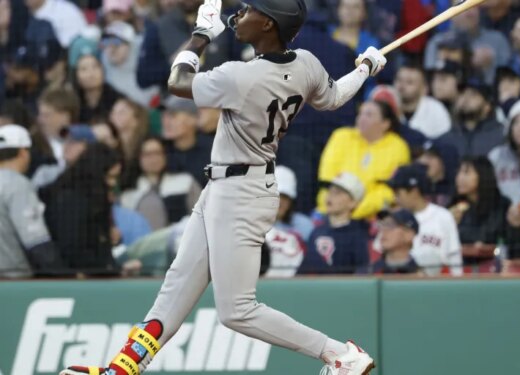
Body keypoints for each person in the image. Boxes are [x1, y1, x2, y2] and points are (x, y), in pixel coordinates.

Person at [59, 0, 385, 373]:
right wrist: (364, 69)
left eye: (250, 11)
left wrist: (200, 36)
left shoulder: (241, 76)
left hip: (241, 193)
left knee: (237, 310)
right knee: (175, 289)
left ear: (269, 24)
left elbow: (177, 82)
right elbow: (334, 97)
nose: (240, 15)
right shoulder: (306, 63)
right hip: (230, 186)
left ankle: (340, 354)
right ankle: (122, 369)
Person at [317, 100, 410, 220]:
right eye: (360, 113)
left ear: (385, 123)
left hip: (372, 216)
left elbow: (389, 191)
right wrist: (333, 208)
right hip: (331, 211)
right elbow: (326, 180)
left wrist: (354, 213)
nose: (361, 118)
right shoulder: (341, 136)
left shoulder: (398, 147)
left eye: (369, 115)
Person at [39, 143, 122, 275]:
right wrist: (110, 270)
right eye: (110, 177)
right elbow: (74, 250)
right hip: (72, 281)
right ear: (96, 173)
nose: (113, 183)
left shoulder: (93, 201)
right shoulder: (70, 201)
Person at [0, 125, 65, 278]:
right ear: (23, 153)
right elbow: (37, 242)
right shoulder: (17, 184)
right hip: (12, 280)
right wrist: (64, 277)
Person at [388, 164, 463, 276]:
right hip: (399, 281)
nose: (395, 198)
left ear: (414, 191)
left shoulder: (443, 216)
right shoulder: (394, 218)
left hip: (434, 284)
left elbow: (454, 258)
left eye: (398, 193)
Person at [120, 137, 202, 230]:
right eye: (147, 154)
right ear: (139, 158)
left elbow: (201, 214)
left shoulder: (185, 182)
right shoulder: (129, 195)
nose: (153, 159)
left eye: (157, 153)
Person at [300, 172, 370, 275]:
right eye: (330, 190)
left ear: (353, 203)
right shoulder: (316, 232)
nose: (330, 196)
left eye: (337, 192)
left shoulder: (358, 236)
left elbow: (361, 274)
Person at [449, 156, 510, 271]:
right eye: (459, 173)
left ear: (482, 174)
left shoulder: (501, 204)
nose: (459, 178)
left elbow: (500, 238)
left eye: (466, 173)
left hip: (494, 265)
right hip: (461, 266)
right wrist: (451, 225)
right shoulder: (453, 206)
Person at [439, 79, 506, 158]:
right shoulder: (446, 139)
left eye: (473, 94)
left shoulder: (502, 135)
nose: (466, 98)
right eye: (463, 93)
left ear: (487, 106)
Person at [161, 95, 212, 186]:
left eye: (173, 115)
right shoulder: (159, 151)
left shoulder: (213, 150)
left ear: (193, 119)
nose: (166, 121)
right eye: (164, 115)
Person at [394, 64, 452, 139]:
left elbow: (445, 142)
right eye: (399, 80)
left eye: (409, 82)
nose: (402, 86)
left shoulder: (436, 110)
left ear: (424, 89)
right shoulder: (385, 105)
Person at [73, 54, 125, 124]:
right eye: (84, 69)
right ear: (76, 76)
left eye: (95, 67)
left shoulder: (118, 100)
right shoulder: (71, 101)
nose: (91, 74)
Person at [369, 209, 422, 275]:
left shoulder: (421, 276)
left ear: (409, 235)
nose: (384, 230)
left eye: (390, 225)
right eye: (381, 225)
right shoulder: (367, 273)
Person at [274, 165, 314, 241]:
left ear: (291, 202)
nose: (280, 201)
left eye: (285, 197)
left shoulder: (305, 226)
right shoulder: (251, 225)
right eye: (276, 195)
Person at [417, 139, 460, 207]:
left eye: (429, 157)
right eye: (422, 156)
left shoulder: (458, 190)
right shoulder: (417, 187)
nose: (423, 161)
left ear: (444, 161)